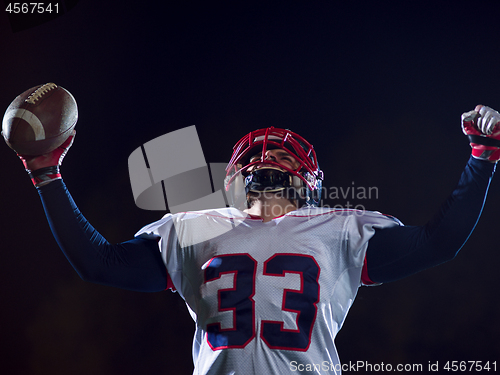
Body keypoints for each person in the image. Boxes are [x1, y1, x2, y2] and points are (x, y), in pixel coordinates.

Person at [17, 105, 499, 374]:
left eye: (286, 161)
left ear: (309, 183)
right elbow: (98, 264)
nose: (273, 164)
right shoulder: (192, 229)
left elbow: (440, 244)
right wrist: (46, 174)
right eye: (264, 160)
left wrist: (482, 158)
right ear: (236, 179)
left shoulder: (341, 229)